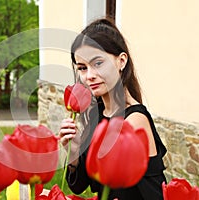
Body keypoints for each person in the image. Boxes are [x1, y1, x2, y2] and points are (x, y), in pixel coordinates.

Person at [59, 17, 167, 200]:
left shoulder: (133, 122)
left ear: (121, 61)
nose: (90, 76)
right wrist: (75, 152)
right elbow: (79, 185)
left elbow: (150, 194)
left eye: (98, 63)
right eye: (82, 68)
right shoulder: (98, 114)